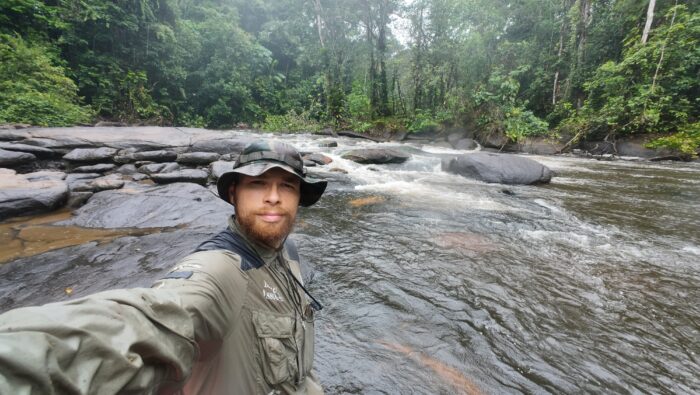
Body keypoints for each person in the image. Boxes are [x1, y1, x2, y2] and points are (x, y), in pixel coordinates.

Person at [0, 140, 327, 395]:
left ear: (299, 197)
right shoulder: (220, 271)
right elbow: (152, 320)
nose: (273, 197)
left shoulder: (289, 253)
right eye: (258, 183)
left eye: (287, 185)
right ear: (233, 193)